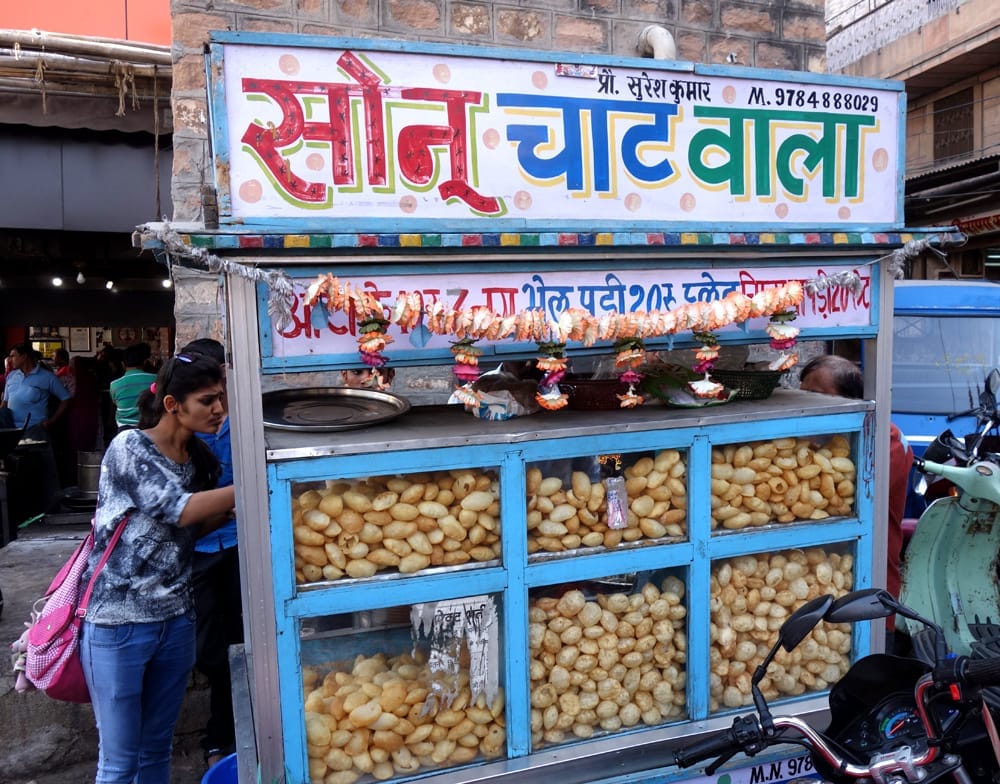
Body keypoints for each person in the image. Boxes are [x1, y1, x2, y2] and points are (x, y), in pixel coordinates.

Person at [79, 352, 236, 784]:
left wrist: (234, 512)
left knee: (155, 751)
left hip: (175, 621)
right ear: (172, 404)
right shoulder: (130, 447)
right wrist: (256, 483)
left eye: (220, 398)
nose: (218, 409)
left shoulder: (197, 458)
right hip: (119, 624)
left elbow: (188, 530)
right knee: (119, 763)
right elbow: (176, 508)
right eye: (207, 400)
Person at [799, 354, 914, 643]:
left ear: (850, 401)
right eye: (803, 394)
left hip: (868, 581)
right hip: (817, 578)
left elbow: (845, 499)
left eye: (817, 396)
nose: (806, 404)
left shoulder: (885, 440)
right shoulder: (813, 437)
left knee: (868, 655)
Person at [180, 338, 243, 769]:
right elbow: (180, 510)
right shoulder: (182, 431)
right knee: (209, 651)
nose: (216, 402)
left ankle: (230, 735)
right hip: (198, 551)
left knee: (243, 641)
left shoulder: (241, 420)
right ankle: (220, 733)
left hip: (239, 546)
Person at [109, 343, 157, 432]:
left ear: (123, 364)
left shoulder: (114, 385)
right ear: (144, 362)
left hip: (124, 429)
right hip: (150, 427)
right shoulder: (156, 379)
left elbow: (116, 403)